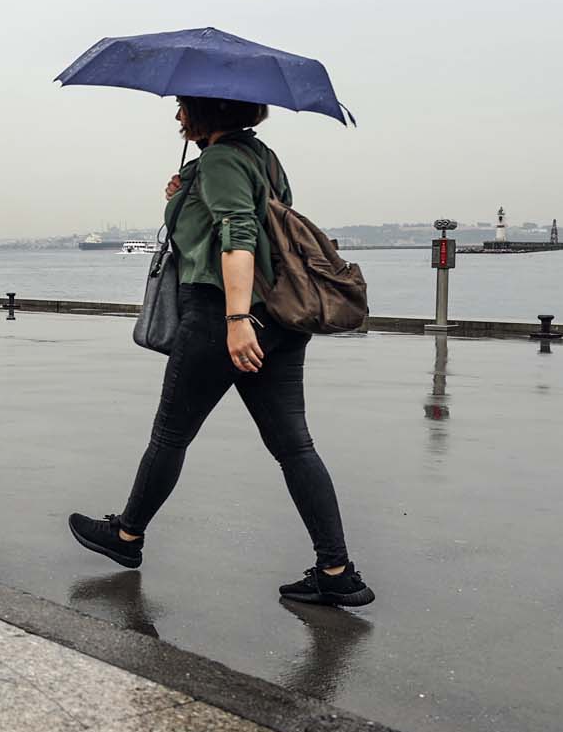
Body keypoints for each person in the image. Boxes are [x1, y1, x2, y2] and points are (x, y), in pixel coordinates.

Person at [67, 96, 373, 607]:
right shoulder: (262, 157)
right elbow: (236, 223)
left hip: (221, 314)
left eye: (185, 107)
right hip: (278, 317)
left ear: (207, 112)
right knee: (294, 446)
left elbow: (238, 236)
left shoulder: (221, 160)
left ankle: (126, 537)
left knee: (170, 434)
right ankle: (336, 569)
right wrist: (182, 193)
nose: (177, 115)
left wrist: (235, 321)